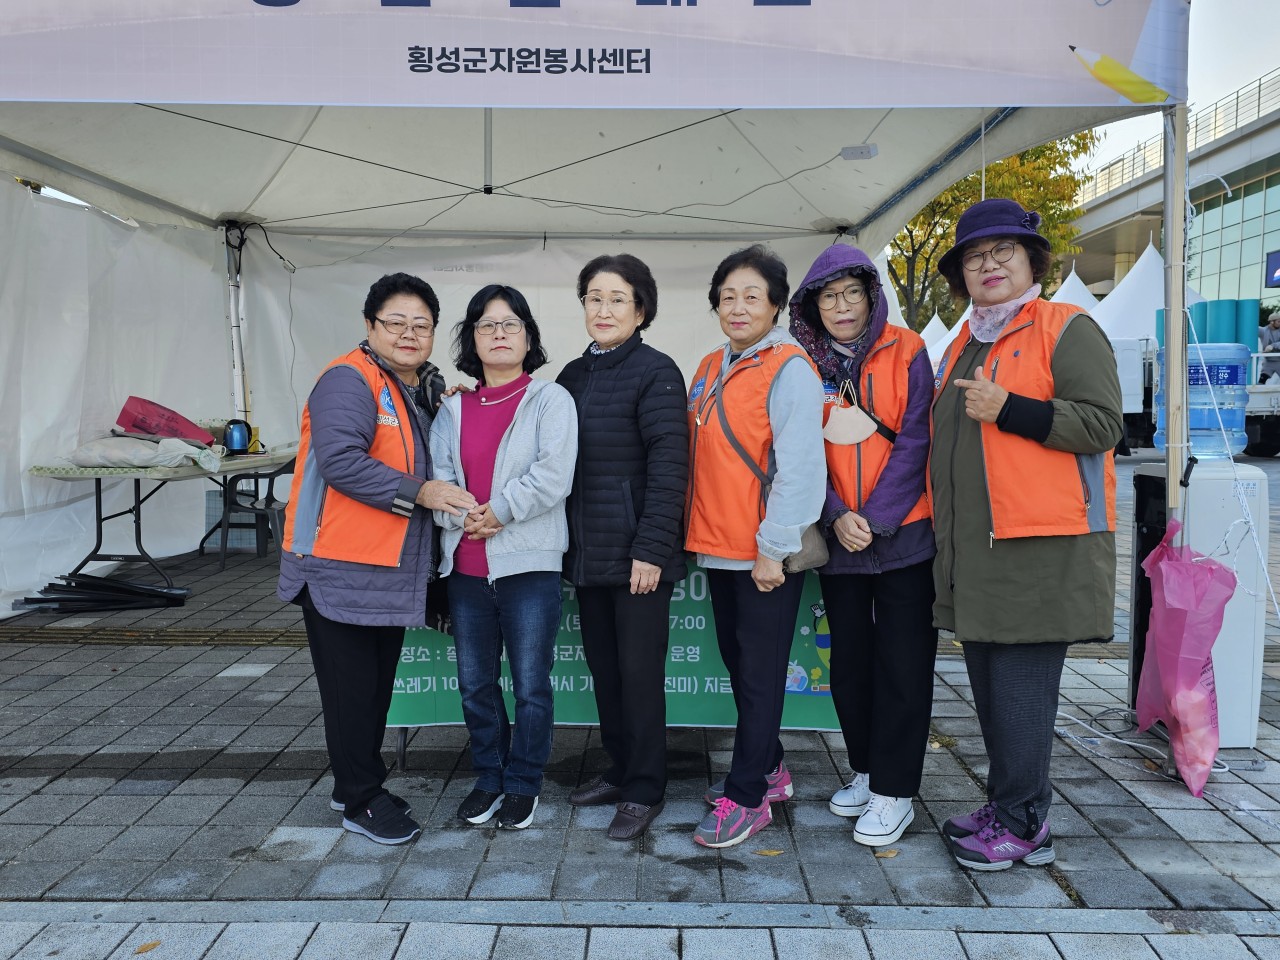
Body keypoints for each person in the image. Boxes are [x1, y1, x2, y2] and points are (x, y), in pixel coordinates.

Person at [930, 198, 1122, 871]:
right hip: (980, 556)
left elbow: (1102, 425)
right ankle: (1012, 804)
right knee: (990, 690)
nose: (988, 265)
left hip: (1041, 551)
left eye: (1002, 252)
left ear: (1030, 260)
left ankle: (1023, 824)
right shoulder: (967, 339)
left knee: (1019, 695)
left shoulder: (1067, 327)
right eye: (975, 257)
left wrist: (1010, 408)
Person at [278, 272, 477, 846]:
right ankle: (361, 801)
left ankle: (353, 784)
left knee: (371, 691)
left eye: (422, 324)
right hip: (339, 567)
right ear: (370, 326)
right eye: (396, 322)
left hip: (383, 572)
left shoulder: (419, 387)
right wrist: (423, 493)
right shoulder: (349, 380)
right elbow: (341, 461)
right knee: (351, 691)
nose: (409, 333)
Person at [788, 245, 937, 847]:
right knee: (848, 664)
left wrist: (873, 518)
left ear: (872, 296)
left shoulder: (908, 349)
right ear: (812, 306)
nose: (841, 306)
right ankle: (868, 770)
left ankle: (897, 792)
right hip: (839, 540)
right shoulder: (801, 361)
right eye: (829, 296)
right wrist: (834, 514)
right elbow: (798, 449)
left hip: (904, 537)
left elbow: (918, 439)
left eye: (852, 293)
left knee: (904, 664)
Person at [684, 244, 825, 849]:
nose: (738, 307)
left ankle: (746, 798)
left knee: (761, 676)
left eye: (752, 296)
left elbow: (799, 468)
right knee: (744, 670)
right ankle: (769, 770)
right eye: (727, 296)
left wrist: (773, 547)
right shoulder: (709, 366)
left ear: (775, 305)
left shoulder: (789, 367)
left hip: (762, 552)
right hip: (716, 547)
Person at [429, 284, 577, 831]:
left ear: (528, 337)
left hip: (529, 566)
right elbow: (440, 474)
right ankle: (488, 776)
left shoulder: (549, 400)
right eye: (487, 325)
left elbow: (554, 474)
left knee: (532, 683)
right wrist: (464, 513)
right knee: (475, 682)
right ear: (471, 338)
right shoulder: (454, 408)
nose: (498, 333)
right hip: (465, 567)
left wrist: (502, 512)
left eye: (510, 324)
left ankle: (523, 783)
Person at [557, 254, 689, 841]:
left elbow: (670, 468)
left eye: (617, 298)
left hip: (638, 558)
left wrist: (651, 550)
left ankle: (643, 788)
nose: (603, 309)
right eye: (593, 298)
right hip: (587, 555)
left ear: (641, 308)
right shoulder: (571, 376)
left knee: (639, 676)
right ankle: (618, 768)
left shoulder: (657, 371)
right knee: (605, 674)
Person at [1258, 311, 1280, 383]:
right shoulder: (1263, 331)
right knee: (1262, 380)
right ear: (1272, 322)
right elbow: (1251, 328)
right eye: (1278, 321)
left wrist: (1272, 346)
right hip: (1268, 362)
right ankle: (1257, 394)